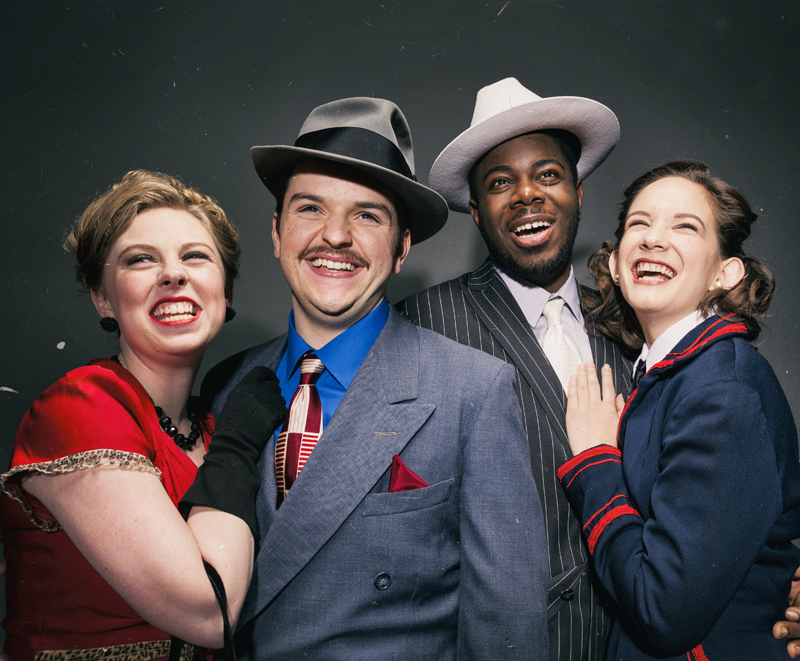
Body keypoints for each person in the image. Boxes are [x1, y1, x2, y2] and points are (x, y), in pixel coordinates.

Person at [201, 96, 550, 660]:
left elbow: (507, 630)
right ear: (276, 231)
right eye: (310, 208)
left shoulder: (473, 391)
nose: (334, 236)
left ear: (402, 247)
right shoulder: (226, 382)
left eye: (367, 215)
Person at [0, 170, 286, 660]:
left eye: (196, 256)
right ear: (103, 298)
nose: (174, 274)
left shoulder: (212, 426)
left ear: (227, 291)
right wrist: (238, 448)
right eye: (140, 260)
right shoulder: (82, 404)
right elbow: (208, 614)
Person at [398, 77, 632, 660]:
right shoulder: (423, 323)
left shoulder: (633, 322)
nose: (527, 194)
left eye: (548, 175)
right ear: (476, 211)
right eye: (501, 183)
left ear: (578, 191)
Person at [560, 160, 800, 659]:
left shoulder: (723, 389)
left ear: (724, 272)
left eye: (685, 226)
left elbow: (663, 613)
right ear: (614, 264)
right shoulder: (668, 369)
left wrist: (595, 462)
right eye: (639, 224)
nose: (652, 239)